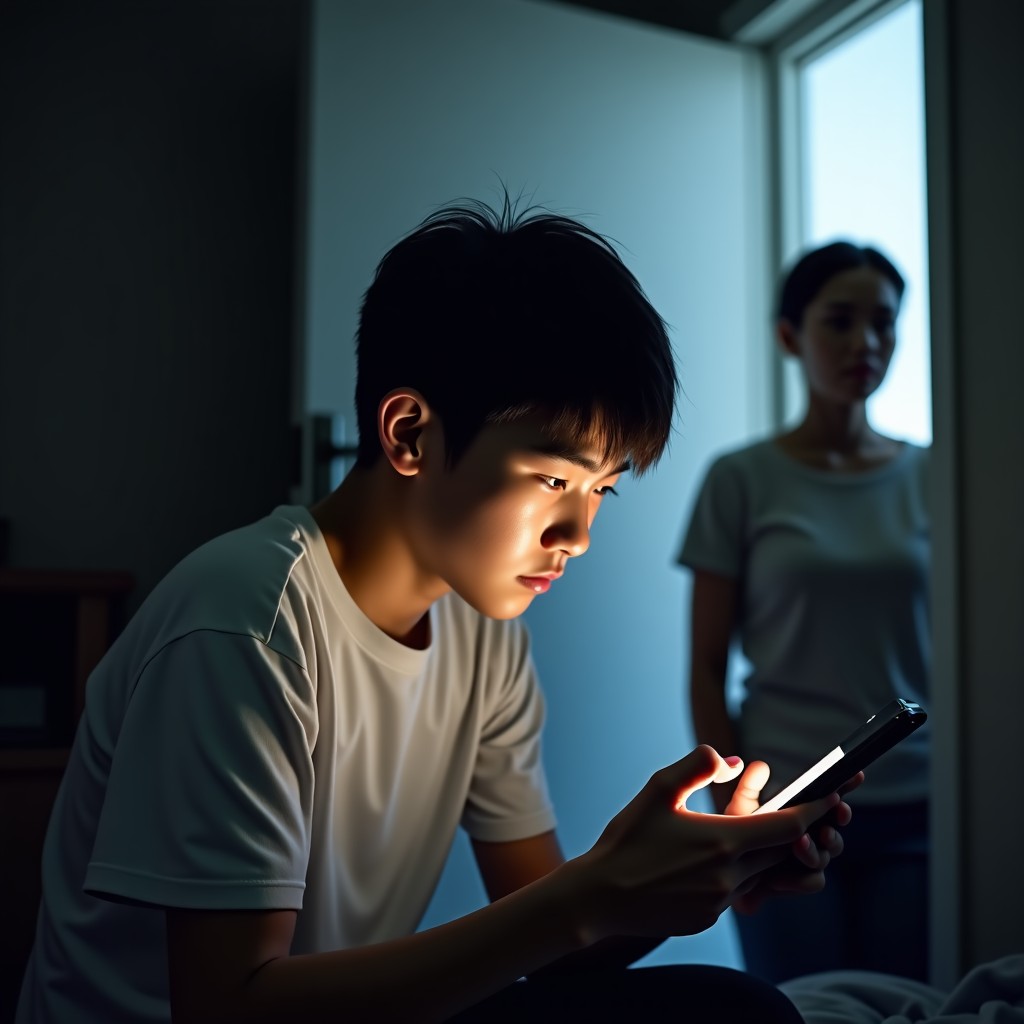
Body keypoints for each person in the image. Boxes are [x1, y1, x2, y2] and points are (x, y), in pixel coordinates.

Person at [17, 198, 858, 1024]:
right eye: (553, 479)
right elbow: (226, 1008)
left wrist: (693, 879)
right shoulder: (246, 623)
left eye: (602, 489)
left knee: (732, 1008)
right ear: (410, 434)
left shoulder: (483, 638)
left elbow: (557, 942)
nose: (578, 535)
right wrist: (591, 892)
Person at [676, 240, 930, 984]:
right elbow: (706, 663)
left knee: (907, 1005)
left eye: (883, 323)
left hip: (920, 803)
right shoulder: (741, 479)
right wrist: (731, 808)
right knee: (793, 1006)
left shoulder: (936, 475)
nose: (866, 343)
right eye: (840, 321)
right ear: (790, 335)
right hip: (784, 800)